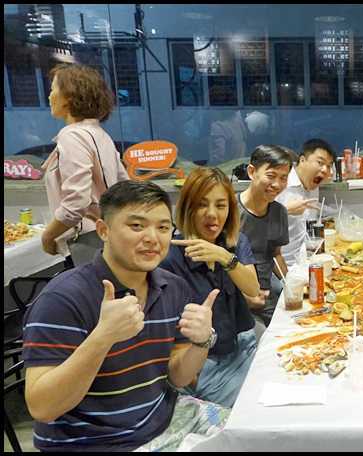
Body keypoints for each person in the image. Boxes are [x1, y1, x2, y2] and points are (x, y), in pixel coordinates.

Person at [22, 179, 228, 452]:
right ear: (103, 230)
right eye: (137, 226)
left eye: (163, 227)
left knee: (255, 436)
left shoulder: (173, 287)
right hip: (92, 444)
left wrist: (202, 341)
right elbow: (42, 407)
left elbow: (178, 378)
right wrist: (103, 336)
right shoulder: (63, 298)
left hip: (163, 423)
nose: (153, 238)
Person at [160, 167, 261, 408]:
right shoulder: (170, 258)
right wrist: (194, 380)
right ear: (187, 207)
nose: (212, 215)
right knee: (256, 409)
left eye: (221, 205)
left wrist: (225, 257)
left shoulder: (234, 242)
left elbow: (252, 288)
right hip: (206, 365)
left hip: (242, 346)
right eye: (202, 205)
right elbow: (164, 337)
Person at [40, 63, 129, 267]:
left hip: (85, 243)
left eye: (53, 88)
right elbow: (124, 187)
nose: (49, 96)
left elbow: (76, 203)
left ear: (70, 96)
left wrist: (48, 235)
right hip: (109, 238)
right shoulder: (100, 135)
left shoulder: (72, 136)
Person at [237, 145, 294, 335]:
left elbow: (275, 255)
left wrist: (291, 284)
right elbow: (220, 267)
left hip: (267, 297)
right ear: (252, 172)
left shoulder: (279, 212)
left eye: (283, 178)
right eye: (271, 176)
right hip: (238, 302)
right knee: (265, 348)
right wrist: (245, 297)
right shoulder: (229, 212)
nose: (277, 184)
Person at [275, 138, 336, 267]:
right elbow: (256, 223)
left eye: (329, 166)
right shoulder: (280, 184)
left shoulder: (313, 185)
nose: (325, 170)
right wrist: (284, 211)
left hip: (305, 260)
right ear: (302, 161)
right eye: (320, 162)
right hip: (279, 265)